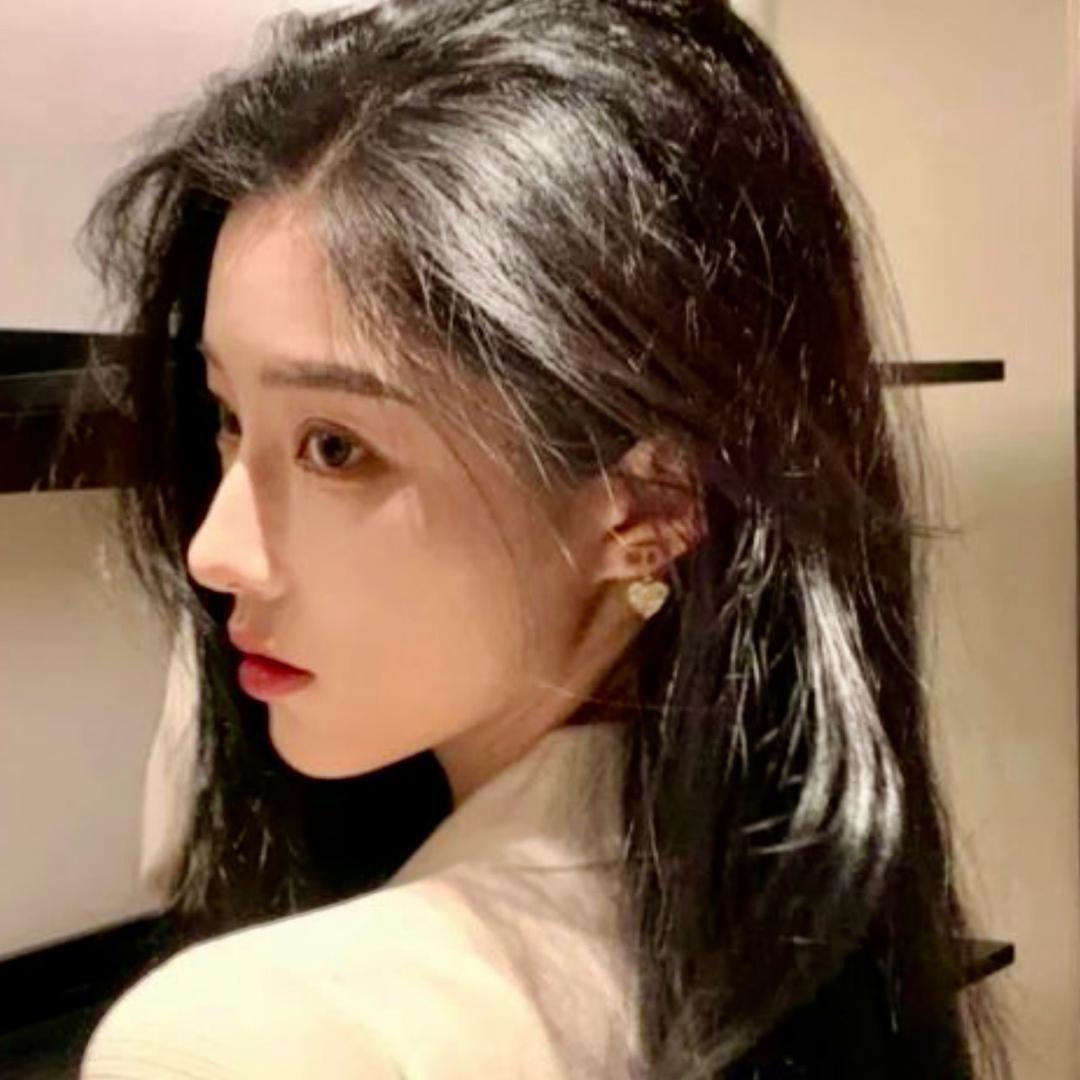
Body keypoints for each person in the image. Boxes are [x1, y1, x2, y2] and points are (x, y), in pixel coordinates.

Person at [67, 0, 1011, 1076]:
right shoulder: (791, 933)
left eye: (335, 447)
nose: (214, 550)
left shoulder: (251, 1038)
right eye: (229, 416)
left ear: (647, 508)